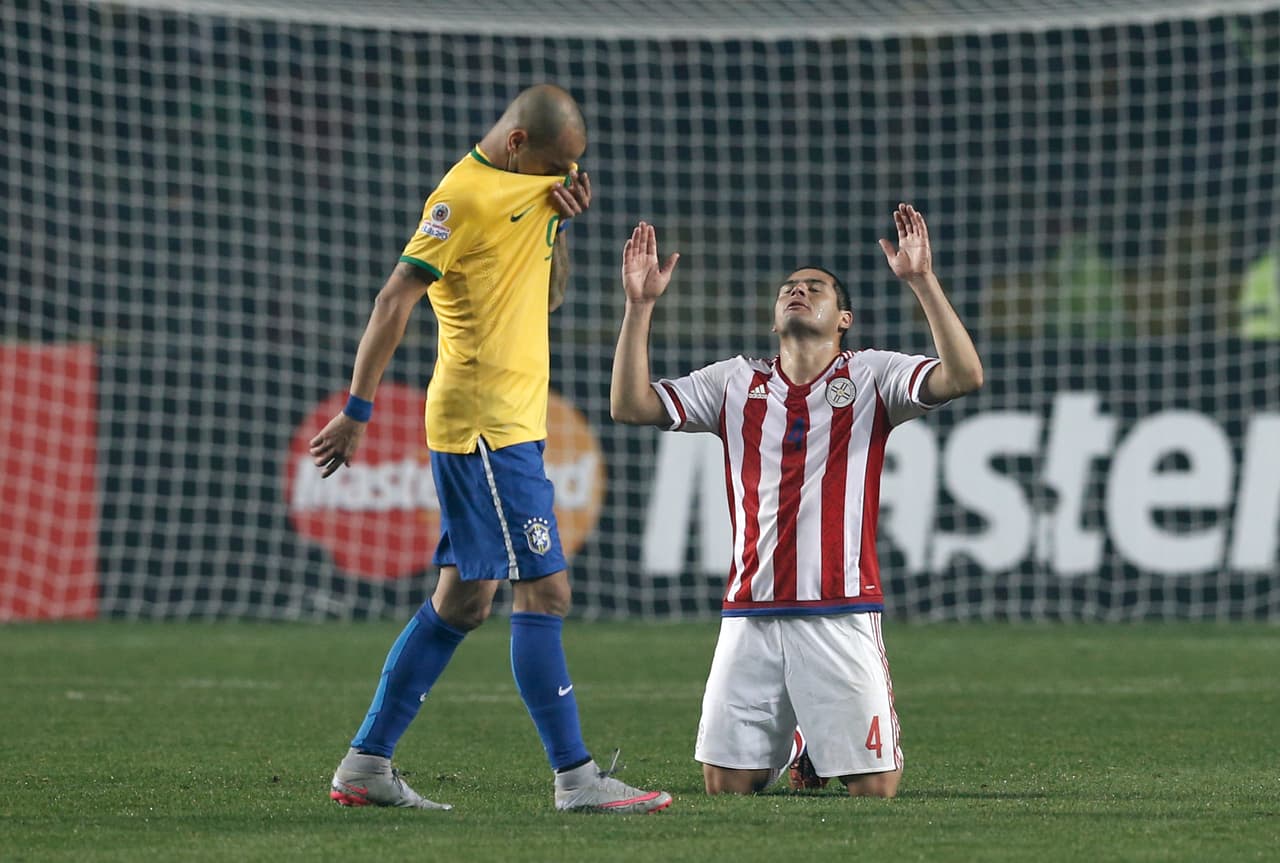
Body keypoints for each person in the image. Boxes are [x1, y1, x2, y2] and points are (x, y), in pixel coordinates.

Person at [309, 84, 671, 814]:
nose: (567, 178)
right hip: (485, 429)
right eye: (558, 164)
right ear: (516, 145)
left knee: (465, 598)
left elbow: (545, 296)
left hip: (510, 424)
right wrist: (356, 409)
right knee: (547, 589)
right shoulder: (462, 197)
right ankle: (576, 778)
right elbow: (394, 299)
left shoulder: (529, 194)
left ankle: (366, 763)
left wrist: (558, 227)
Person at [609, 205, 983, 798]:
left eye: (815, 288)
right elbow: (629, 406)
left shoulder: (871, 375)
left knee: (875, 790)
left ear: (844, 319)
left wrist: (921, 282)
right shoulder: (732, 382)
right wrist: (639, 307)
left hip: (837, 607)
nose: (798, 292)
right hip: (750, 610)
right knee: (724, 787)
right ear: (773, 317)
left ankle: (817, 737)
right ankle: (800, 739)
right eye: (789, 288)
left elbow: (963, 376)